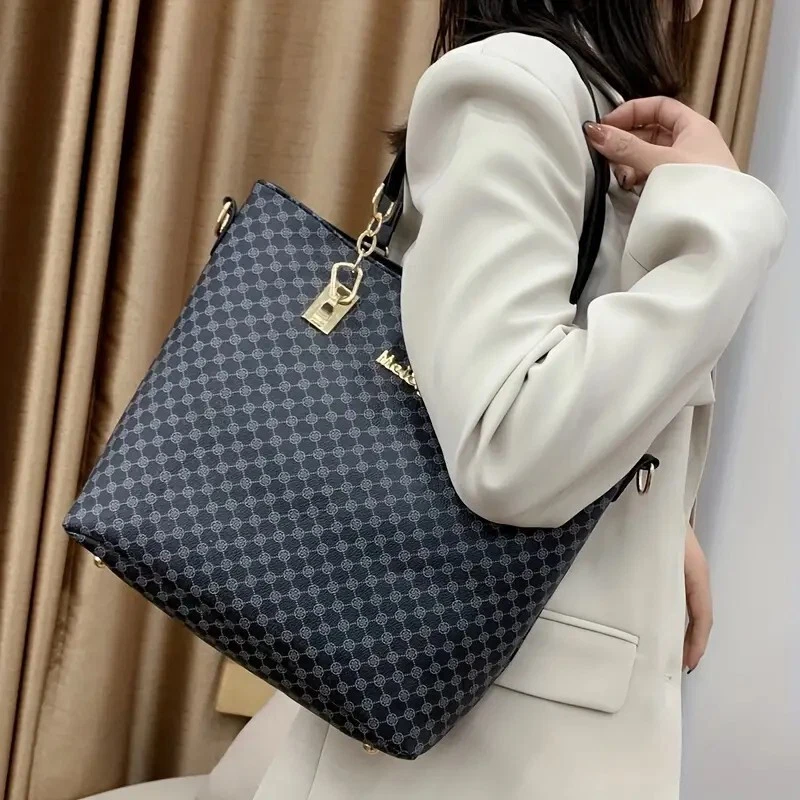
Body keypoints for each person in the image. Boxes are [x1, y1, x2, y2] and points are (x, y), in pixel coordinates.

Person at [89, 2, 785, 799]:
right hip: (481, 747)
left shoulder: (587, 101)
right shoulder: (517, 85)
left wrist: (649, 525)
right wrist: (724, 226)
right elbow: (509, 445)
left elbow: (554, 378)